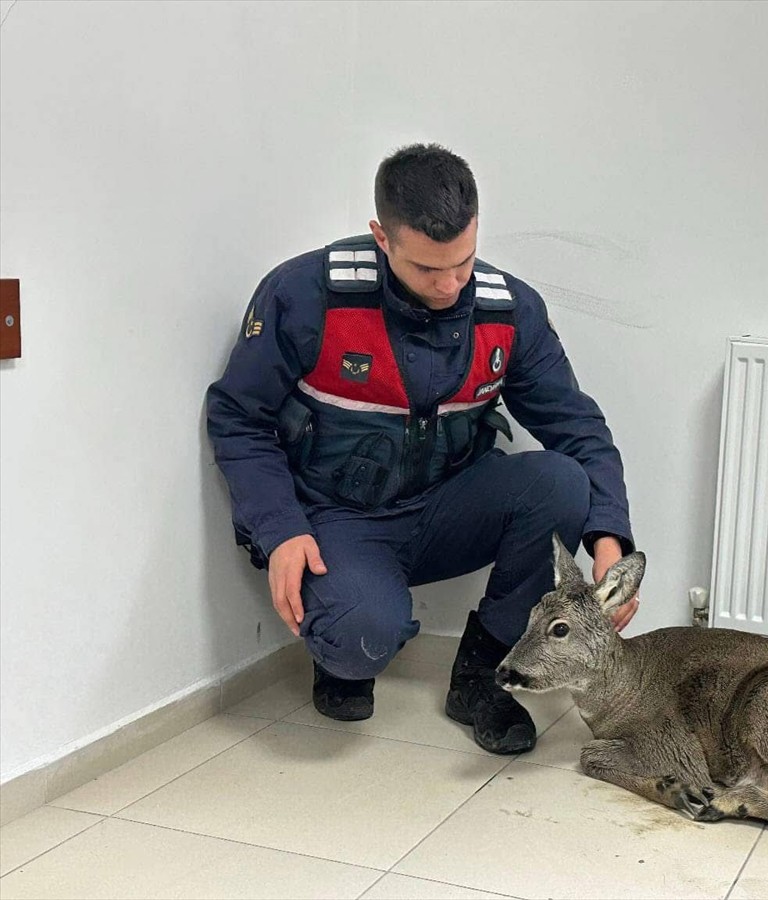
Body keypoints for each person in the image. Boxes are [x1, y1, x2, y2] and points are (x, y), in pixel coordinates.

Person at [205, 144, 636, 754]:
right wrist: (279, 530)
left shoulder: (508, 309)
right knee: (361, 636)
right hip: (338, 519)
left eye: (462, 262)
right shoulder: (305, 294)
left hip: (448, 507)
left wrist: (609, 537)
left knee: (563, 481)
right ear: (382, 237)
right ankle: (347, 645)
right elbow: (237, 416)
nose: (449, 284)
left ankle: (483, 677)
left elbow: (578, 426)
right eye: (427, 269)